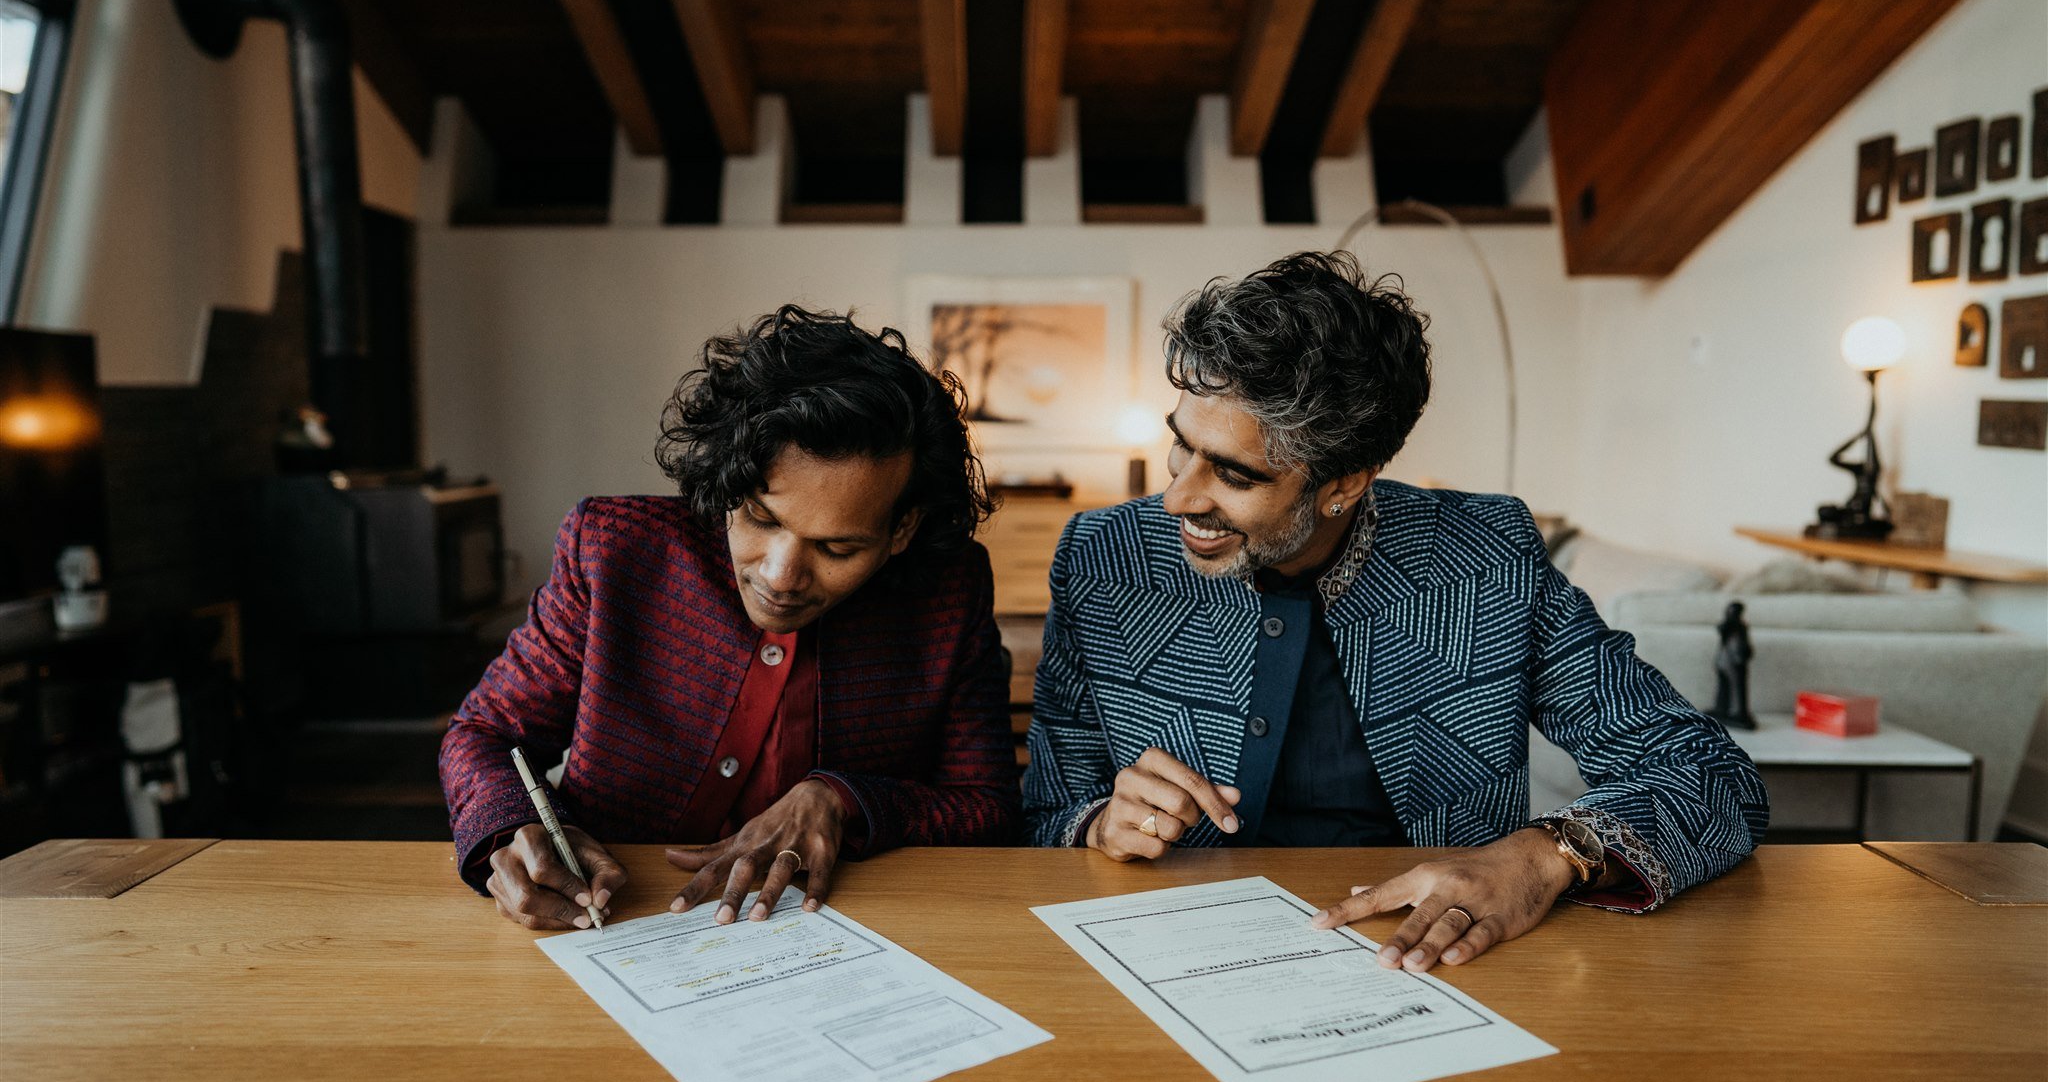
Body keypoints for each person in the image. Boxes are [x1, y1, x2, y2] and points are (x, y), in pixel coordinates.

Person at [1023, 252, 1767, 972]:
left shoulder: (1488, 557)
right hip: (1166, 950)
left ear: (1344, 482)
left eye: (1235, 474)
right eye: (1180, 449)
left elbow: (1709, 773)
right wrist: (1096, 823)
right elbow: (1048, 808)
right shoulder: (1103, 556)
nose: (1179, 498)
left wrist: (1547, 854)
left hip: (1436, 962)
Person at [441, 306, 1018, 931]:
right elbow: (483, 734)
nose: (780, 576)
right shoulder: (615, 551)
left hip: (842, 930)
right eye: (760, 519)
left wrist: (842, 800)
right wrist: (511, 828)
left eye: (838, 548)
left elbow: (987, 805)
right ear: (728, 478)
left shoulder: (947, 594)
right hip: (611, 920)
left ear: (901, 529)